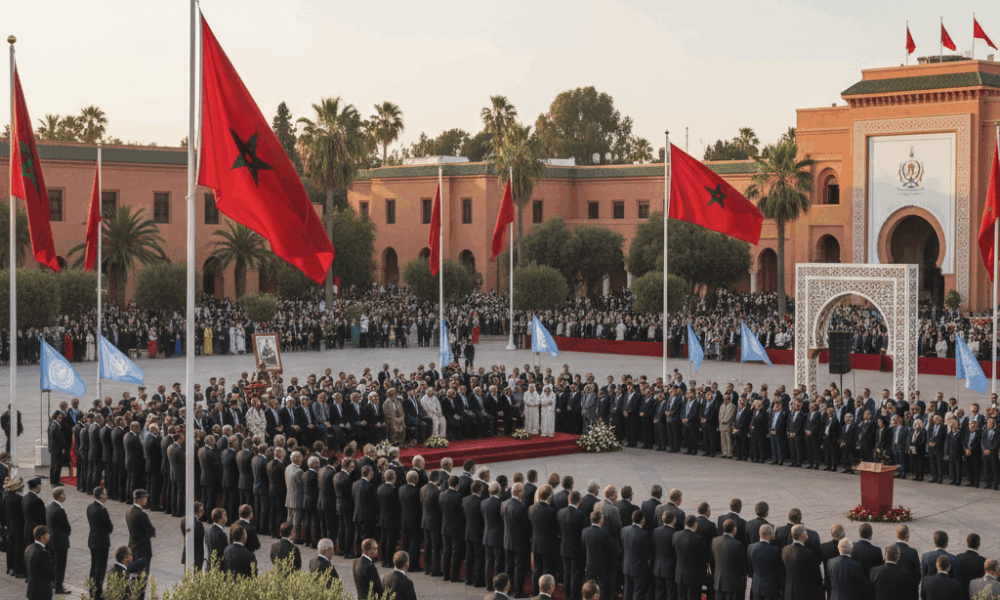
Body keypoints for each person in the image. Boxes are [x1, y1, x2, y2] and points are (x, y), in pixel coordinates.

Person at [673, 515, 710, 600]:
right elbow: (703, 559)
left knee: (681, 597)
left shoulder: (676, 535)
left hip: (679, 575)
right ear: (695, 524)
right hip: (693, 576)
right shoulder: (699, 539)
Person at [87, 486, 114, 600]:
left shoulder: (90, 507)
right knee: (100, 568)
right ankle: (97, 592)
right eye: (105, 493)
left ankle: (92, 589)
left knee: (94, 566)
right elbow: (109, 526)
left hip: (93, 539)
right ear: (101, 496)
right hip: (101, 542)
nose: (107, 495)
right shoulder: (101, 510)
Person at [711, 519, 748, 600]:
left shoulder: (715, 541)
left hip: (719, 582)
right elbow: (742, 565)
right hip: (733, 583)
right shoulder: (737, 544)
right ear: (734, 529)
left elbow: (713, 559)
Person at [782, 524, 822, 599]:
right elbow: (816, 576)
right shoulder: (808, 553)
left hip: (789, 592)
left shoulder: (785, 550)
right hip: (804, 593)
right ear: (802, 536)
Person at [582, 511, 614, 600]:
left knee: (590, 589)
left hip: (589, 565)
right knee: (602, 589)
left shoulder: (584, 531)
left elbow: (584, 548)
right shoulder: (605, 534)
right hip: (603, 566)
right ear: (601, 520)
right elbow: (609, 551)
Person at [45, 487, 71, 595]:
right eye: (64, 494)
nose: (65, 496)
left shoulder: (49, 507)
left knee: (54, 563)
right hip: (60, 542)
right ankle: (59, 586)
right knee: (60, 565)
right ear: (60, 496)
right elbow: (67, 527)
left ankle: (54, 582)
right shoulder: (59, 510)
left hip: (52, 540)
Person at [747, 524, 784, 600]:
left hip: (757, 586)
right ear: (770, 535)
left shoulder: (751, 547)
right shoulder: (775, 550)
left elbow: (750, 567)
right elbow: (779, 568)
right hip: (771, 587)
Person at [620, 510, 650, 600]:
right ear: (642, 519)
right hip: (639, 568)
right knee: (638, 592)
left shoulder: (624, 530)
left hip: (626, 566)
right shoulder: (644, 534)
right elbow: (647, 552)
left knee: (627, 591)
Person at [25, 525, 55, 600]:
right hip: (42, 593)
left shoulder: (29, 549)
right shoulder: (42, 553)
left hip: (32, 591)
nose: (49, 536)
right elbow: (51, 573)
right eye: (47, 534)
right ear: (43, 537)